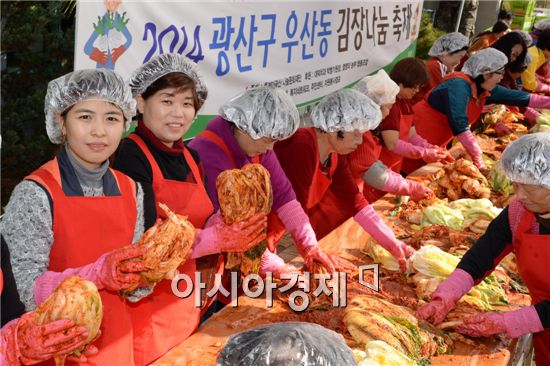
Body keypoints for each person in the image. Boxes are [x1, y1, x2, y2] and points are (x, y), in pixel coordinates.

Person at [112, 54, 267, 364]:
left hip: (189, 303)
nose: (178, 113)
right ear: (140, 103)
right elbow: (143, 244)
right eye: (167, 100)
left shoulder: (190, 157)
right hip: (149, 315)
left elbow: (203, 216)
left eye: (187, 103)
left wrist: (227, 224)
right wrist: (215, 239)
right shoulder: (129, 157)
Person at [0, 68, 152, 365]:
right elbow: (22, 292)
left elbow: (135, 286)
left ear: (125, 124)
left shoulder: (132, 189)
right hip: (60, 350)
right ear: (61, 122)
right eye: (85, 117)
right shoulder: (35, 193)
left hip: (119, 347)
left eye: (111, 118)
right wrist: (97, 273)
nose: (99, 131)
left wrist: (147, 272)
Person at [417, 133, 550, 365]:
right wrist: (447, 295)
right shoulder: (519, 212)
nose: (519, 195)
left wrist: (508, 322)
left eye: (529, 188)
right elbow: (482, 255)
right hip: (543, 326)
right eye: (516, 184)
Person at [189, 87, 347, 280]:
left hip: (244, 249)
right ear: (244, 127)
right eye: (267, 140)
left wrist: (309, 246)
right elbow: (230, 229)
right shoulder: (208, 153)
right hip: (200, 256)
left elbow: (285, 197)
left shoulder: (258, 145)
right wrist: (272, 264)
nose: (270, 148)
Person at [274, 89, 415, 271]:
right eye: (356, 133)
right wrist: (310, 248)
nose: (360, 140)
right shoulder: (302, 145)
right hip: (258, 225)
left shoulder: (335, 154)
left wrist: (392, 242)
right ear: (334, 128)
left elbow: (355, 202)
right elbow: (295, 208)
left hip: (279, 226)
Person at [410, 48, 550, 176]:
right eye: (499, 73)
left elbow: (522, 98)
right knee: (407, 175)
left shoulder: (485, 87)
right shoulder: (458, 85)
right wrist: (477, 155)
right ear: (486, 73)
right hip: (417, 137)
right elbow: (459, 123)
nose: (502, 77)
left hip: (436, 144)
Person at [348, 70, 434, 203]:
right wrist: (410, 187)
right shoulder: (358, 133)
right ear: (372, 106)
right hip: (340, 202)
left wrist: (427, 149)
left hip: (356, 190)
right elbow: (373, 171)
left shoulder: (366, 130)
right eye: (385, 108)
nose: (388, 113)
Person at [376, 58, 452, 176]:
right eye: (414, 87)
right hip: (379, 165)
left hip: (393, 164)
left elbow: (412, 135)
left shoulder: (406, 103)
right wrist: (423, 152)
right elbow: (392, 143)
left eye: (419, 87)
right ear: (402, 81)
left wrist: (430, 147)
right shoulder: (390, 104)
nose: (417, 91)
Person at [521, 29, 550, 94]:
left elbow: (531, 73)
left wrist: (542, 80)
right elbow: (529, 84)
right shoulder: (533, 56)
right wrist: (547, 88)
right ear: (546, 47)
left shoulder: (538, 52)